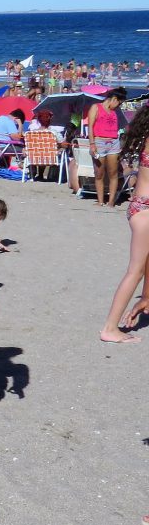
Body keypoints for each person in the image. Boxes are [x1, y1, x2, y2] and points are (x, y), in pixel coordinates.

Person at [99, 103, 149, 344]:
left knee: (144, 262)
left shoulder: (146, 137)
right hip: (145, 210)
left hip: (139, 206)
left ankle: (146, 299)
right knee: (134, 270)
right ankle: (110, 327)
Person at [87, 88, 126, 208]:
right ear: (114, 99)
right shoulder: (96, 107)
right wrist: (92, 144)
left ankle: (111, 202)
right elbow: (90, 126)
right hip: (99, 142)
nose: (118, 106)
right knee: (99, 173)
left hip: (113, 142)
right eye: (119, 103)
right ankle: (100, 200)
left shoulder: (115, 111)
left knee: (113, 173)